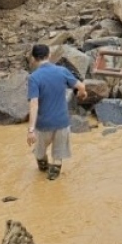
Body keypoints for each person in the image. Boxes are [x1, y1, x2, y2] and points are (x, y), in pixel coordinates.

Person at [26, 43, 87, 181]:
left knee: (40, 153)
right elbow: (81, 86)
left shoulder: (34, 78)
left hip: (43, 124)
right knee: (58, 155)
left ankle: (42, 171)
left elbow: (34, 104)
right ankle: (53, 178)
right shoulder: (62, 71)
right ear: (49, 55)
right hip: (62, 122)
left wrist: (30, 130)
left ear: (34, 59)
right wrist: (81, 94)